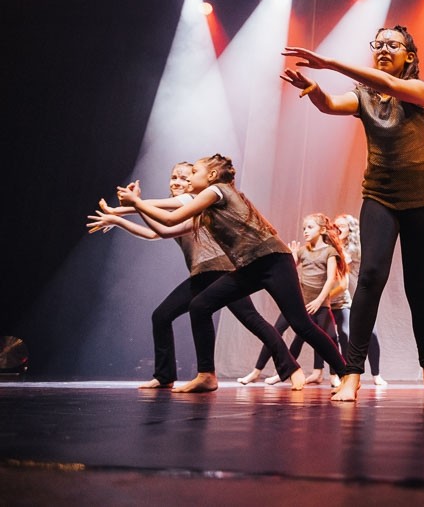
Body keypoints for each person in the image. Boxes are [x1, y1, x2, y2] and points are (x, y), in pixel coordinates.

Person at [281, 25, 424, 401]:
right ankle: (352, 374)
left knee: (419, 289)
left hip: (421, 200)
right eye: (378, 43)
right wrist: (315, 90)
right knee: (369, 278)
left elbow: (390, 84)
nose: (383, 48)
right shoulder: (363, 96)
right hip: (380, 197)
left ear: (409, 57)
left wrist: (331, 63)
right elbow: (330, 104)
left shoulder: (419, 90)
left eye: (392, 45)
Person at [116, 154, 348, 393]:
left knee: (301, 324)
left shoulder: (216, 190)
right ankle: (207, 375)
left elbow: (170, 217)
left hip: (273, 260)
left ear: (211, 175)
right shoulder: (207, 211)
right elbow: (166, 230)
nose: (188, 179)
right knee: (200, 306)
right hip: (250, 267)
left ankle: (346, 374)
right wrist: (128, 210)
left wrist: (136, 203)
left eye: (194, 173)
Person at [88, 162, 300, 392]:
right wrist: (119, 217)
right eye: (174, 177)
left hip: (220, 269)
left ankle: (289, 368)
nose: (178, 182)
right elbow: (156, 233)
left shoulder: (192, 200)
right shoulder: (181, 208)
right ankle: (167, 376)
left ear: (193, 182)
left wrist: (123, 208)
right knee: (162, 316)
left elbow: (156, 212)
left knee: (251, 319)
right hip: (201, 273)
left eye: (184, 177)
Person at [238, 212, 349, 387]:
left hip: (319, 304)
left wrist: (319, 301)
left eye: (310, 227)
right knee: (275, 331)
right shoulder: (303, 251)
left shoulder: (329, 251)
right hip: (299, 303)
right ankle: (256, 371)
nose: (305, 231)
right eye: (304, 228)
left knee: (330, 337)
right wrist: (293, 256)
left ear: (321, 230)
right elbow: (287, 271)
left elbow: (330, 279)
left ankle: (335, 375)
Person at [333, 213, 388, 386]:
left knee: (371, 332)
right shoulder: (334, 247)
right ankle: (343, 373)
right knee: (344, 333)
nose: (337, 229)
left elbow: (344, 261)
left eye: (341, 226)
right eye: (335, 226)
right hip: (343, 296)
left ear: (350, 229)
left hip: (358, 293)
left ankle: (376, 374)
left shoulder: (353, 248)